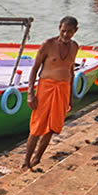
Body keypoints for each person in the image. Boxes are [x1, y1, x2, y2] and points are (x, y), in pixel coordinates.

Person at [23, 16, 79, 170]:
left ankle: (37, 159)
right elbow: (35, 69)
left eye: (69, 32)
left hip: (63, 88)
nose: (66, 34)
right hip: (45, 88)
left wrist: (70, 97)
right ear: (59, 29)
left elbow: (71, 71)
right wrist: (30, 94)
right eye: (63, 31)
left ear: (75, 31)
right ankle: (26, 162)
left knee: (52, 127)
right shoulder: (48, 45)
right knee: (37, 127)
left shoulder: (75, 47)